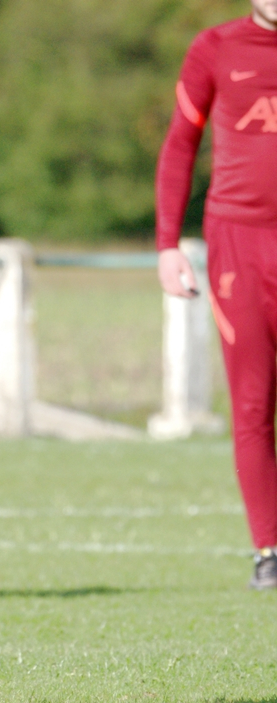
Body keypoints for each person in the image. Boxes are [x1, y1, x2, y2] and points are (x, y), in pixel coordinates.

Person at [156, 0, 277, 590]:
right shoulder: (215, 47)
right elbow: (181, 143)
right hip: (239, 246)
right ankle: (269, 551)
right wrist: (167, 244)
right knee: (252, 404)